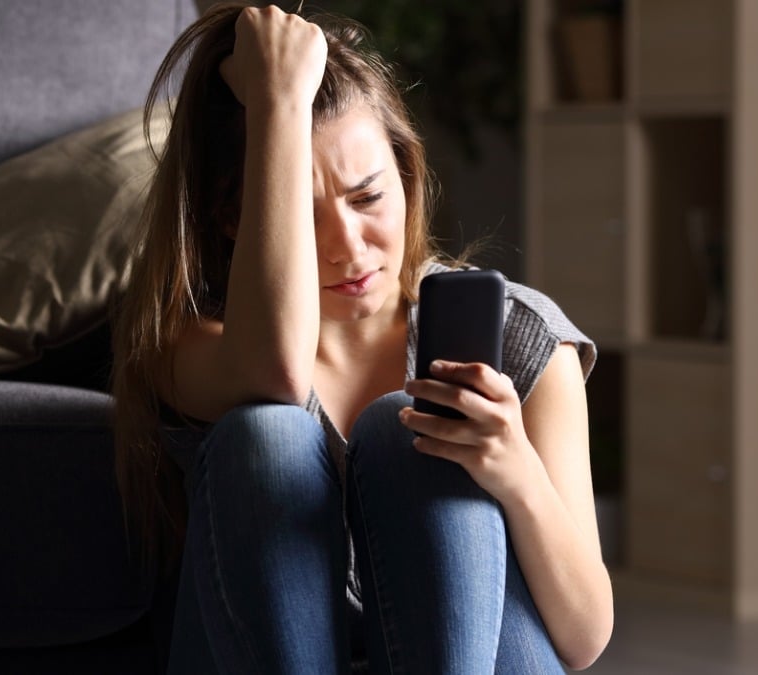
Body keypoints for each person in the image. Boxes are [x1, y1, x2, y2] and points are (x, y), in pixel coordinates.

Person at [111, 2, 614, 672]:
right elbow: (275, 373)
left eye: (368, 197)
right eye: (304, 211)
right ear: (235, 217)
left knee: (408, 431)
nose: (348, 248)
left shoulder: (517, 336)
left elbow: (583, 640)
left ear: (406, 174)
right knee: (267, 433)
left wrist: (514, 470)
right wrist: (279, 103)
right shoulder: (189, 342)